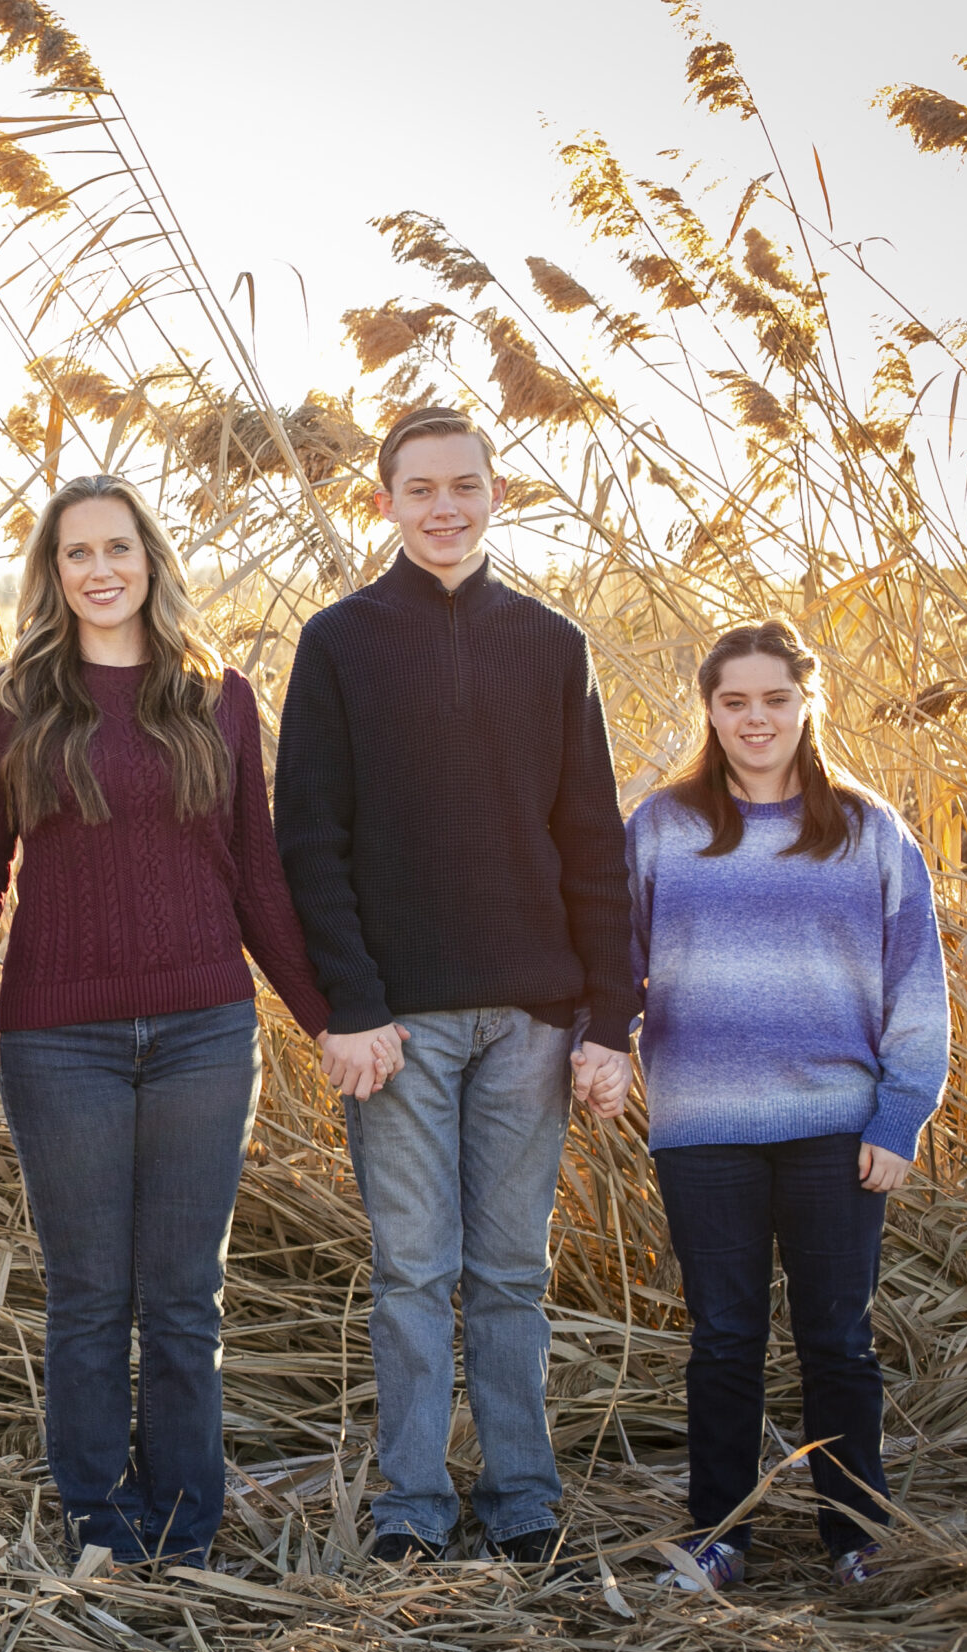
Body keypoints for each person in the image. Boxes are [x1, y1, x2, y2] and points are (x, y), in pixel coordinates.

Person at [274, 406, 637, 1567]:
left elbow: (591, 838)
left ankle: (522, 1492)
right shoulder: (339, 641)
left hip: (529, 1019)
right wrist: (349, 1005)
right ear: (383, 502)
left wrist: (606, 1019)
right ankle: (414, 1503)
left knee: (510, 1273)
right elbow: (307, 842)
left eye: (464, 486)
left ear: (495, 495)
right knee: (412, 1271)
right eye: (419, 488)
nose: (443, 506)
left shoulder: (550, 642)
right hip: (397, 1024)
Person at [0, 474, 331, 1567]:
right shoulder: (10, 701)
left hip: (202, 1032)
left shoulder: (218, 697)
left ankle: (185, 1526)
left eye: (118, 547)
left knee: (181, 1295)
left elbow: (257, 875)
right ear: (54, 573)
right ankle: (97, 1522)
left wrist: (325, 1019)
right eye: (77, 554)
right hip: (55, 1036)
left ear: (151, 559)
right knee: (87, 1296)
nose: (100, 569)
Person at [628, 619, 947, 1593]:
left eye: (774, 698)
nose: (753, 718)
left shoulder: (866, 830)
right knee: (722, 1337)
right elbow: (613, 963)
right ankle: (718, 1536)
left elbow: (917, 989)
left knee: (835, 1338)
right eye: (733, 702)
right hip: (703, 1127)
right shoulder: (661, 827)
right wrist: (593, 1047)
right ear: (710, 711)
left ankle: (855, 1537)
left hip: (835, 1131)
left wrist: (899, 1119)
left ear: (807, 700)